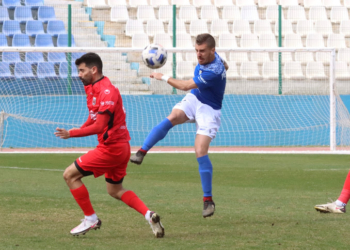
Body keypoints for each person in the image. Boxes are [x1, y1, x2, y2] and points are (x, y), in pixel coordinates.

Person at [54, 52, 164, 238]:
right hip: (120, 148)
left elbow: (100, 125)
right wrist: (81, 127)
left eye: (82, 70)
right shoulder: (92, 87)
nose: (79, 74)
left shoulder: (107, 91)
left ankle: (90, 218)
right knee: (115, 190)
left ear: (94, 69)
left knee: (70, 175)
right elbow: (93, 116)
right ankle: (149, 215)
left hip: (111, 149)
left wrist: (72, 134)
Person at [130, 33, 228, 218]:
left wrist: (162, 76)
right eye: (197, 50)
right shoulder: (217, 58)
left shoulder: (213, 70)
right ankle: (141, 152)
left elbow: (184, 86)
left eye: (202, 51)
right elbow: (226, 65)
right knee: (173, 116)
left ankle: (208, 200)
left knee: (200, 150)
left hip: (209, 109)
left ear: (212, 50)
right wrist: (225, 68)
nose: (198, 55)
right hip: (196, 97)